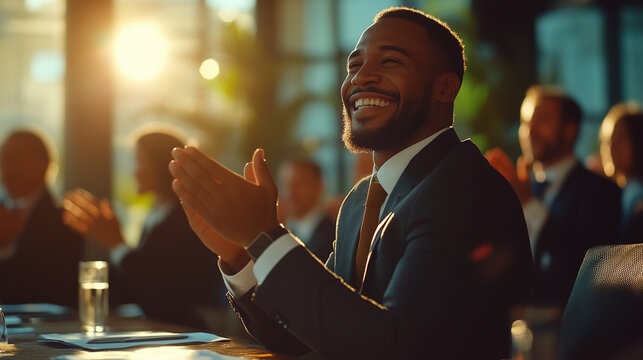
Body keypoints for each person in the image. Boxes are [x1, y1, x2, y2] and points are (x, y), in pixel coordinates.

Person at [169, 7, 533, 359]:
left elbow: (396, 349)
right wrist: (238, 252)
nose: (361, 78)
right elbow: (308, 333)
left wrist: (265, 235)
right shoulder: (360, 201)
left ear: (446, 88)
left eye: (390, 62)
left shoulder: (463, 189)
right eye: (354, 65)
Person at [62, 129, 225, 329]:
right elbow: (137, 286)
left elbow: (161, 291)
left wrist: (116, 243)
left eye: (139, 161)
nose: (134, 171)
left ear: (160, 165)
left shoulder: (187, 220)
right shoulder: (156, 216)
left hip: (186, 331)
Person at [485, 85, 622, 307]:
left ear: (570, 130)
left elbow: (583, 263)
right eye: (525, 121)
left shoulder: (600, 192)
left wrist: (527, 203)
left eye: (542, 120)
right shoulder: (521, 186)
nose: (530, 130)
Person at [0, 129, 84, 307]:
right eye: (4, 156)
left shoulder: (64, 219)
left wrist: (5, 247)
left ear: (42, 164)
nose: (6, 164)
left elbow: (56, 290)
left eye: (16, 157)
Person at [599, 102, 643, 244]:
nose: (612, 146)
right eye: (607, 140)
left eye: (621, 138)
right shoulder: (616, 193)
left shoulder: (637, 197)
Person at [277, 158, 334, 261]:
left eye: (298, 184)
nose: (290, 192)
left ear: (318, 186)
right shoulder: (282, 233)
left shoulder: (334, 237)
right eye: (286, 185)